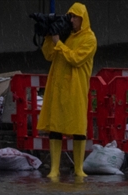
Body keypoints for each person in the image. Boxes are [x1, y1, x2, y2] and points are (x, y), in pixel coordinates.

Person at [36, 3, 97, 180]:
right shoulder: (66, 35)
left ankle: (79, 168)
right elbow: (49, 55)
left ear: (82, 19)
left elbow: (75, 59)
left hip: (76, 88)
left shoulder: (90, 39)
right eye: (70, 16)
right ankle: (54, 168)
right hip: (58, 87)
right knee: (55, 126)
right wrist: (48, 36)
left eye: (74, 17)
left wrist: (58, 42)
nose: (71, 20)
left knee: (78, 127)